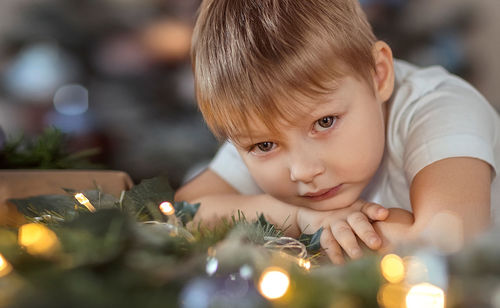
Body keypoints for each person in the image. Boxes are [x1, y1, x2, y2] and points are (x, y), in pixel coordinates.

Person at [175, 0, 500, 264]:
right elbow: (186, 210)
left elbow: (453, 247)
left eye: (325, 122)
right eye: (264, 145)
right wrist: (298, 217)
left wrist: (376, 229)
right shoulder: (268, 118)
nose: (303, 171)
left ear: (379, 75)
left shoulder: (439, 109)